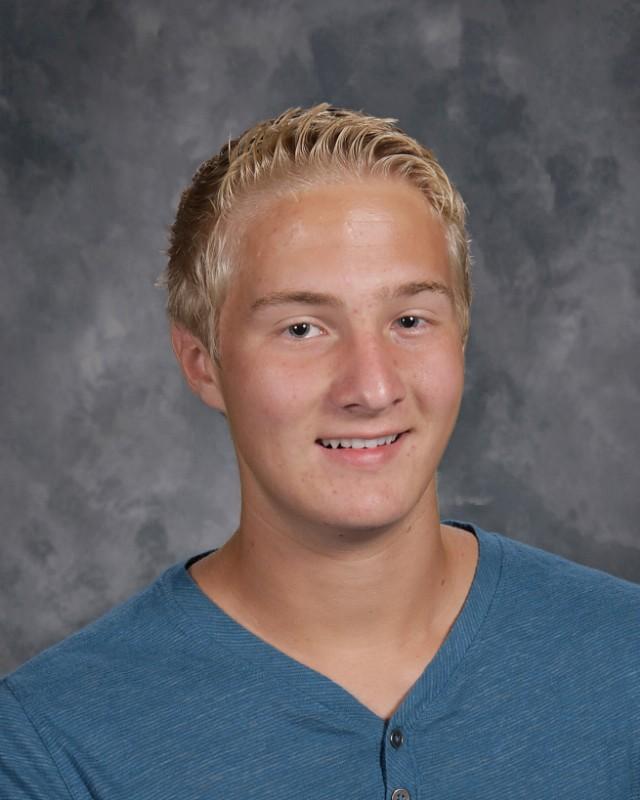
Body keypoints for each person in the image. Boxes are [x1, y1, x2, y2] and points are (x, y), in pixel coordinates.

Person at [1, 103, 638, 799]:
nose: (372, 387)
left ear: (459, 336)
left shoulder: (624, 659)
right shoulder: (51, 746)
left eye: (410, 320)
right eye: (302, 328)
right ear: (202, 362)